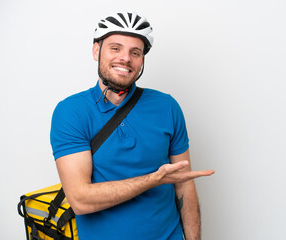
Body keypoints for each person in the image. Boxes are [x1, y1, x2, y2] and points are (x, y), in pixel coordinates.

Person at [50, 11, 214, 240]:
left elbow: (184, 186)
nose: (125, 59)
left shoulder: (167, 106)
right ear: (96, 51)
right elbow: (80, 200)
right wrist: (154, 179)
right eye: (115, 48)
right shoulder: (71, 112)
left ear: (142, 60)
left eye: (134, 52)